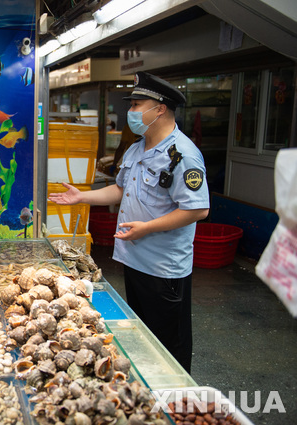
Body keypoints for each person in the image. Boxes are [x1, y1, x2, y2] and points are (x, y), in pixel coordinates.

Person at [49, 71, 209, 373]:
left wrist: (147, 228)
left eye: (137, 104)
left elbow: (197, 210)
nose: (131, 111)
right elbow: (121, 189)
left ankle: (173, 400)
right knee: (144, 338)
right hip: (134, 259)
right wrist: (81, 197)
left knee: (169, 344)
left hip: (163, 267)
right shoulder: (138, 147)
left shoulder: (183, 155)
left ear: (159, 108)